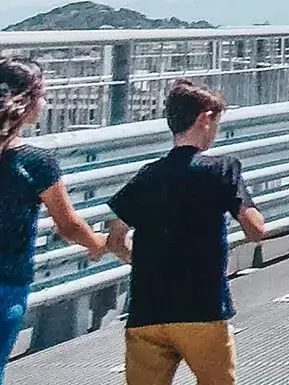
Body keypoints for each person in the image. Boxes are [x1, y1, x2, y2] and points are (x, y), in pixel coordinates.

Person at [106, 80, 270, 385]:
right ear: (204, 119)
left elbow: (115, 240)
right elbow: (255, 229)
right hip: (202, 309)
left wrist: (145, 262)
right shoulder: (222, 169)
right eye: (216, 123)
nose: (216, 131)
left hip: (147, 313)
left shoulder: (147, 175)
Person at [1, 59, 106, 382]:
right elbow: (68, 225)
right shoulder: (36, 162)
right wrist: (96, 243)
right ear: (27, 100)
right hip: (7, 283)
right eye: (43, 94)